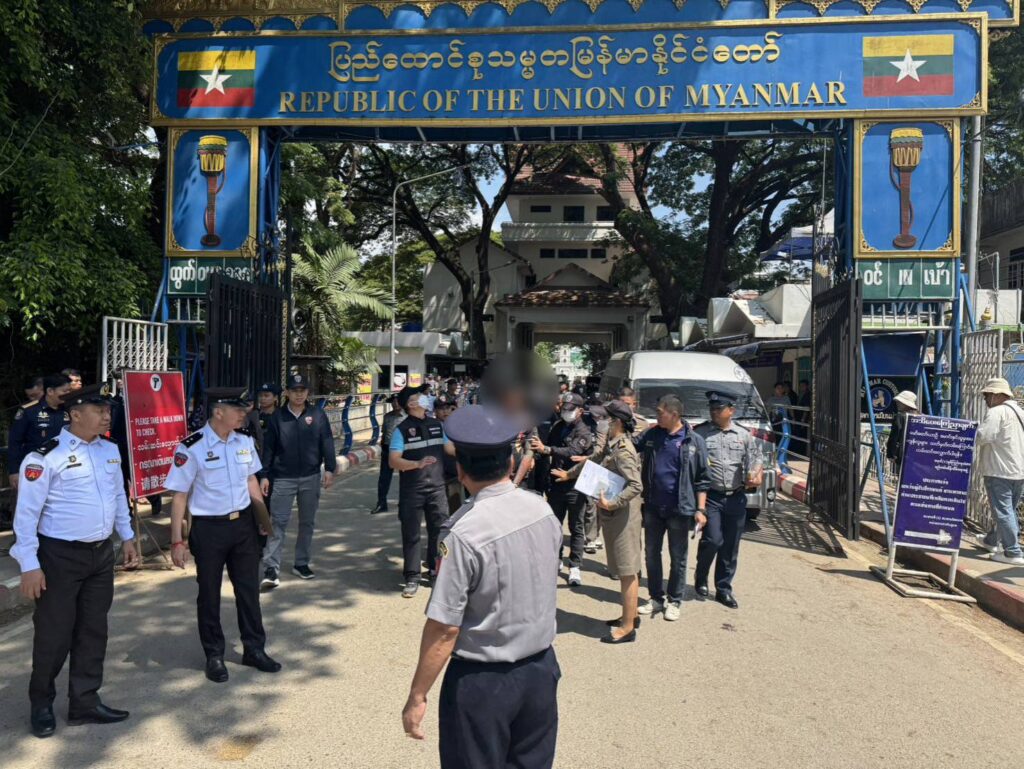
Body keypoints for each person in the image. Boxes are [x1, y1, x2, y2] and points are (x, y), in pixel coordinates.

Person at [402, 405, 562, 768]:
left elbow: (445, 628)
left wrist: (418, 695)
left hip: (483, 682)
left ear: (460, 469)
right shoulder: (542, 510)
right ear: (510, 461)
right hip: (540, 669)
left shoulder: (464, 533)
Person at [11, 383, 139, 738]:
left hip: (100, 554)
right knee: (53, 634)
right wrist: (29, 564)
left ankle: (84, 701)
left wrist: (127, 536)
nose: (106, 416)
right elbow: (26, 515)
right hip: (59, 557)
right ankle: (41, 703)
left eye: (107, 410)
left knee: (93, 631)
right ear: (76, 414)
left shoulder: (109, 450)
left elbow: (118, 496)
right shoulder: (44, 457)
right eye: (99, 410)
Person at [164, 387, 281, 683]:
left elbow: (251, 480)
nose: (244, 415)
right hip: (209, 529)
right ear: (218, 412)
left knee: (248, 591)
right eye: (238, 410)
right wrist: (177, 541)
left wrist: (262, 518)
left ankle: (254, 649)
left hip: (242, 526)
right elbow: (179, 496)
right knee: (209, 594)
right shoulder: (191, 447)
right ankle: (214, 654)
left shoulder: (244, 441)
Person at [554, 400, 644, 643]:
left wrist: (612, 504)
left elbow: (636, 485)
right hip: (616, 514)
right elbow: (594, 458)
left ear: (616, 422)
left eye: (605, 418)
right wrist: (569, 474)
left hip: (623, 516)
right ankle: (630, 615)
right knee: (624, 569)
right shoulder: (613, 444)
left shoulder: (623, 450)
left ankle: (628, 628)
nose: (600, 422)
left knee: (627, 571)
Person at [634, 395, 709, 621]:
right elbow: (629, 445)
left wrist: (701, 510)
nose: (656, 416)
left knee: (678, 557)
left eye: (660, 412)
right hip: (653, 507)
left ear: (674, 414)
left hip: (679, 510)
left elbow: (702, 479)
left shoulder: (694, 441)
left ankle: (675, 600)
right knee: (651, 554)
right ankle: (656, 598)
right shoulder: (652, 434)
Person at [258, 373, 337, 589]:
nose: (299, 394)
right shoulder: (277, 417)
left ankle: (301, 563)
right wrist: (264, 475)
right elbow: (269, 449)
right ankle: (271, 568)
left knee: (307, 522)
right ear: (287, 393)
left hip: (310, 477)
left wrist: (330, 469)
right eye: (294, 391)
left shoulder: (317, 415)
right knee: (278, 523)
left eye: (302, 391)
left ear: (307, 393)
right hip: (283, 478)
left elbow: (326, 441)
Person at [694, 391, 764, 609]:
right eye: (712, 409)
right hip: (711, 497)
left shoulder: (743, 435)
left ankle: (723, 589)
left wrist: (756, 474)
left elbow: (756, 459)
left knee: (730, 546)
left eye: (718, 409)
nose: (714, 412)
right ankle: (701, 575)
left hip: (736, 497)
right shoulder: (701, 433)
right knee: (713, 540)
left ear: (731, 410)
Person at [390, 386, 454, 598]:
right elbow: (393, 461)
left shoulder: (437, 425)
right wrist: (416, 464)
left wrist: (473, 445)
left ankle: (435, 570)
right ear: (410, 404)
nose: (424, 398)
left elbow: (450, 449)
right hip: (412, 490)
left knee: (439, 531)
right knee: (412, 533)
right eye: (418, 396)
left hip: (437, 487)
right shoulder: (401, 430)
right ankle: (412, 576)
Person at [530, 392, 594, 586]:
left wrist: (547, 449)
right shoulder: (558, 426)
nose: (566, 412)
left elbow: (572, 452)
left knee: (576, 527)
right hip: (556, 482)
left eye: (570, 409)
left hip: (575, 485)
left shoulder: (584, 431)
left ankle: (574, 565)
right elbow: (548, 446)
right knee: (555, 525)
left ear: (580, 411)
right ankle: (556, 558)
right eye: (564, 408)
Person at [974, 378, 1024, 565]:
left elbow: (983, 436)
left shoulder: (997, 412)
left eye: (986, 395)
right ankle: (991, 541)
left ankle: (1013, 552)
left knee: (1003, 512)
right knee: (1007, 510)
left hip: (999, 470)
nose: (985, 399)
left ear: (996, 395)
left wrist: (968, 433)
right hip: (1018, 470)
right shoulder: (1019, 412)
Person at [8, 374, 73, 492]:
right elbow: (14, 442)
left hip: (64, 468)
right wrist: (14, 471)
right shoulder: (29, 411)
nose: (68, 394)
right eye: (65, 391)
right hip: (35, 469)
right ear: (50, 391)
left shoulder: (71, 409)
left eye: (70, 390)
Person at [372, 394, 404, 514]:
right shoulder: (387, 416)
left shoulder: (408, 417)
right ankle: (381, 503)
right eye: (393, 402)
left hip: (403, 450)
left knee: (405, 477)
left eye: (398, 401)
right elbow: (384, 432)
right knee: (384, 478)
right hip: (387, 449)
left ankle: (404, 501)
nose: (395, 404)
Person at [434, 395, 463, 514]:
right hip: (436, 473)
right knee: (439, 509)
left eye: (448, 408)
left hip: (454, 471)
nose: (445, 411)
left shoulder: (458, 425)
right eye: (441, 409)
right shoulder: (432, 426)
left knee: (454, 505)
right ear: (435, 411)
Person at [885, 390, 919, 477]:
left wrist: (890, 454)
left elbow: (894, 436)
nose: (897, 403)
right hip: (917, 456)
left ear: (905, 403)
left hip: (902, 454)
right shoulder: (920, 417)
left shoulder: (900, 417)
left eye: (899, 402)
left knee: (901, 477)